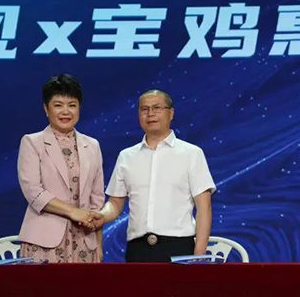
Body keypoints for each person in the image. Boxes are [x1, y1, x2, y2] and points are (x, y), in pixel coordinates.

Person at [92, 89, 215, 262]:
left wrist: (199, 255)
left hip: (179, 248)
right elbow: (115, 203)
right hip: (137, 249)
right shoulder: (126, 156)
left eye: (157, 108)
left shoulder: (191, 154)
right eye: (144, 109)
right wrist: (102, 215)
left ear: (171, 113)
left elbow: (204, 207)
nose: (150, 114)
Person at [17, 73, 104, 263]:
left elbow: (97, 200)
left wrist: (98, 244)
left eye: (72, 105)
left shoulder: (92, 145)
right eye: (58, 105)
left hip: (84, 242)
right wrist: (73, 211)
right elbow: (33, 192)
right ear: (46, 109)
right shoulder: (32, 142)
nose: (66, 111)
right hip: (44, 242)